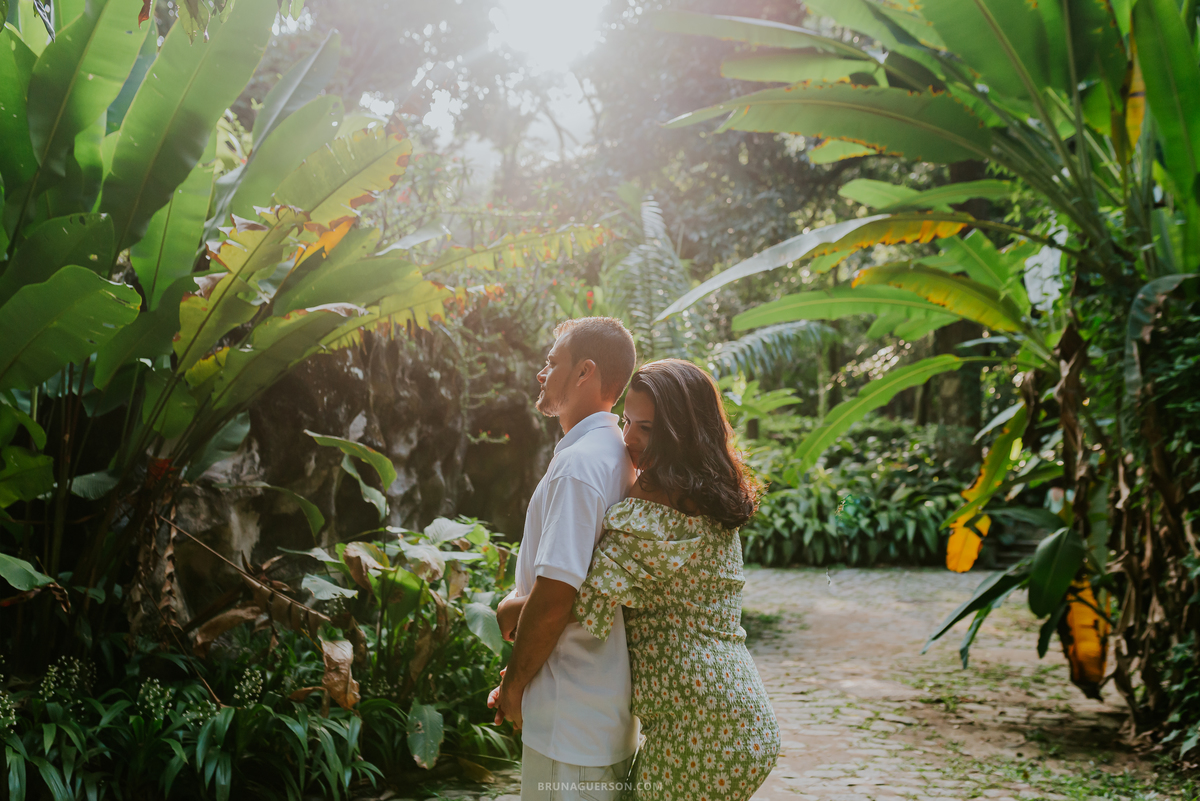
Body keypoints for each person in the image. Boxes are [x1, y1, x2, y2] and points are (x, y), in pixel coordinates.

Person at [573, 358, 781, 801]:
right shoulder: (708, 491)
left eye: (646, 428)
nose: (628, 438)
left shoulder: (660, 496)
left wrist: (513, 609)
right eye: (627, 421)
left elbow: (586, 600)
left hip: (704, 731)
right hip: (735, 716)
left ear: (682, 433)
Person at [489, 317, 640, 801]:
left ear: (584, 372)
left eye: (552, 361)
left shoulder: (579, 465)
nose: (541, 372)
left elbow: (557, 595)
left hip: (569, 718)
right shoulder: (618, 454)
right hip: (597, 709)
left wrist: (515, 687)